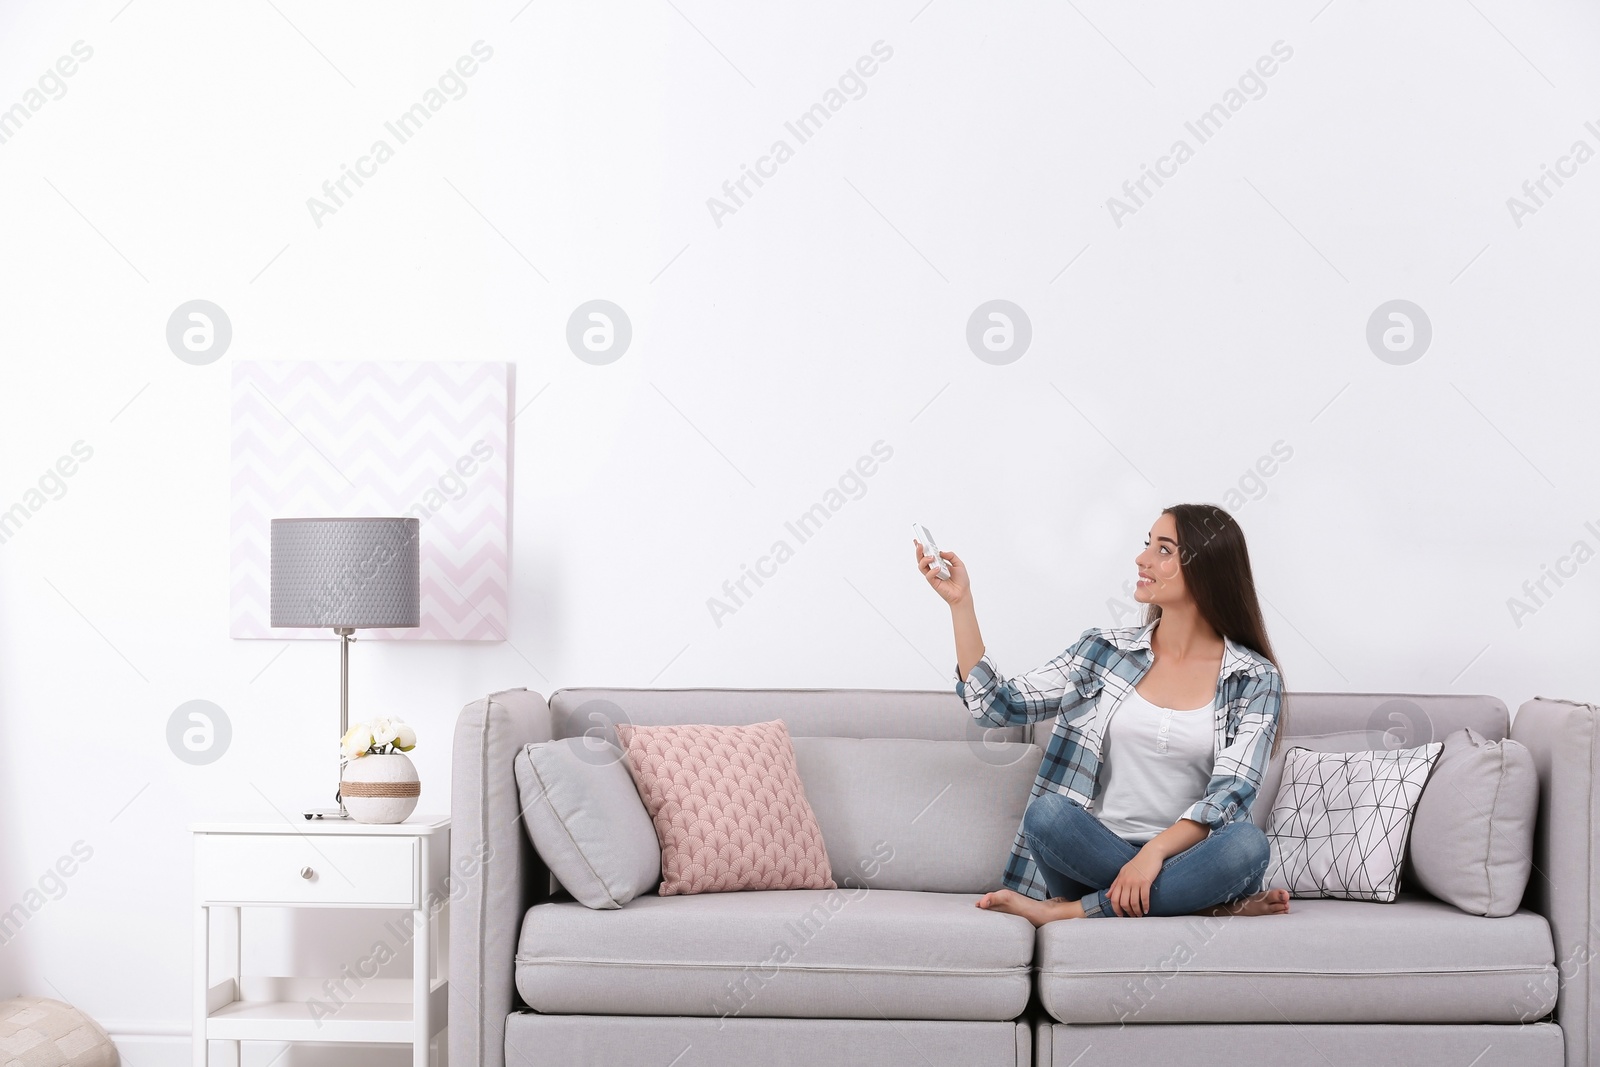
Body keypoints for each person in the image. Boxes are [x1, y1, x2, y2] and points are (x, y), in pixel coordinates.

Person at [916, 503, 1292, 926]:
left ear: (1206, 568)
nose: (1142, 558)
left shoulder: (1254, 678)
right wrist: (960, 604)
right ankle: (1203, 904)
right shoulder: (1102, 651)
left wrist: (1152, 855)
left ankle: (1071, 912)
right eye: (1148, 544)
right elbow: (994, 706)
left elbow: (1231, 794)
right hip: (1092, 855)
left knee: (1246, 845)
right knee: (1048, 815)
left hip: (1190, 859)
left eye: (1164, 550)